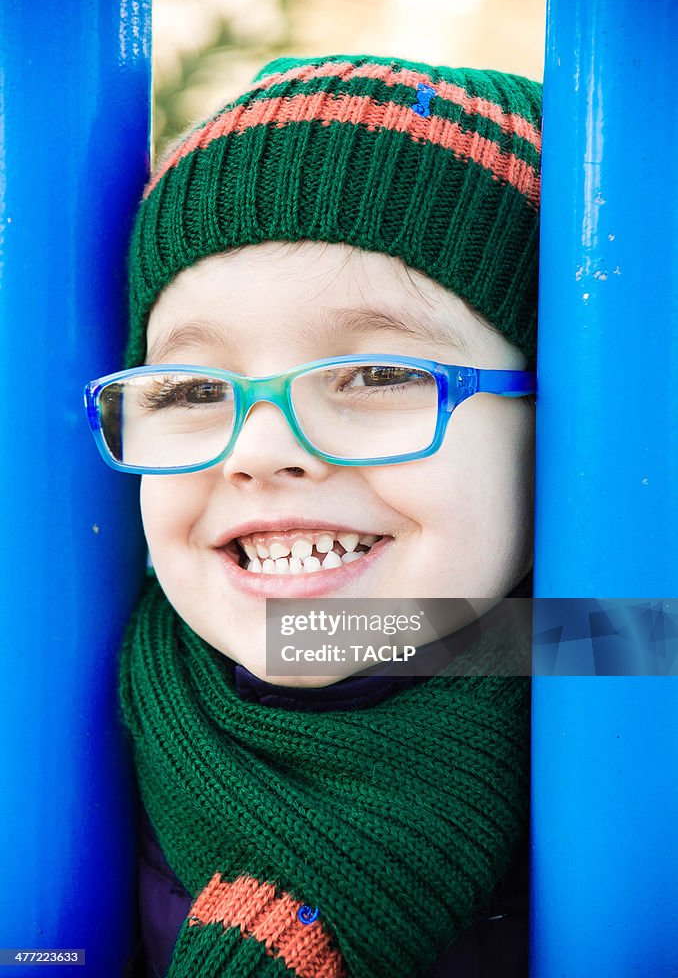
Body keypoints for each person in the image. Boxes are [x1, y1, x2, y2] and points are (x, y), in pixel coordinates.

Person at [84, 53, 540, 977]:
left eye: (378, 376)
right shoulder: (75, 711)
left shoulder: (633, 673)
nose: (256, 450)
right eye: (186, 388)